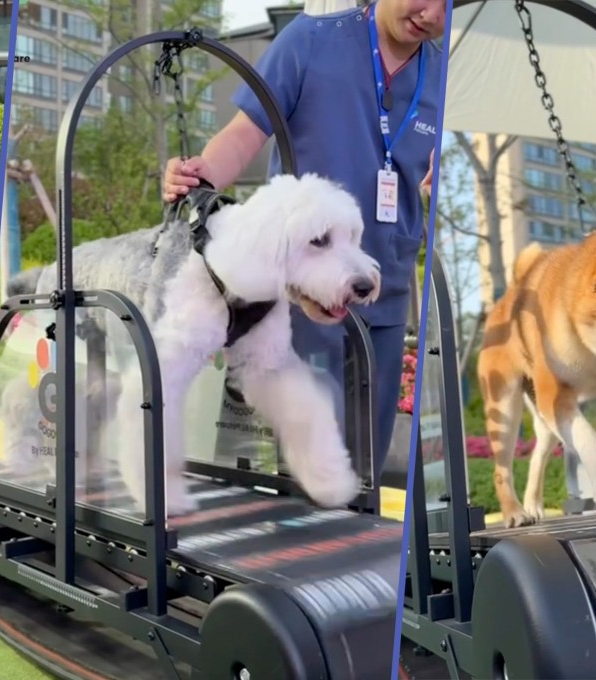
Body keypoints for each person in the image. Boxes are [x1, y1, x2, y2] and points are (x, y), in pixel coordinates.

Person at [162, 0, 446, 492]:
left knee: (369, 459)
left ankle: (357, 531)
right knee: (309, 447)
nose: (432, 14)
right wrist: (198, 178)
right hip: (303, 286)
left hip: (387, 279)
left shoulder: (441, 74)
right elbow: (245, 135)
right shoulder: (309, 40)